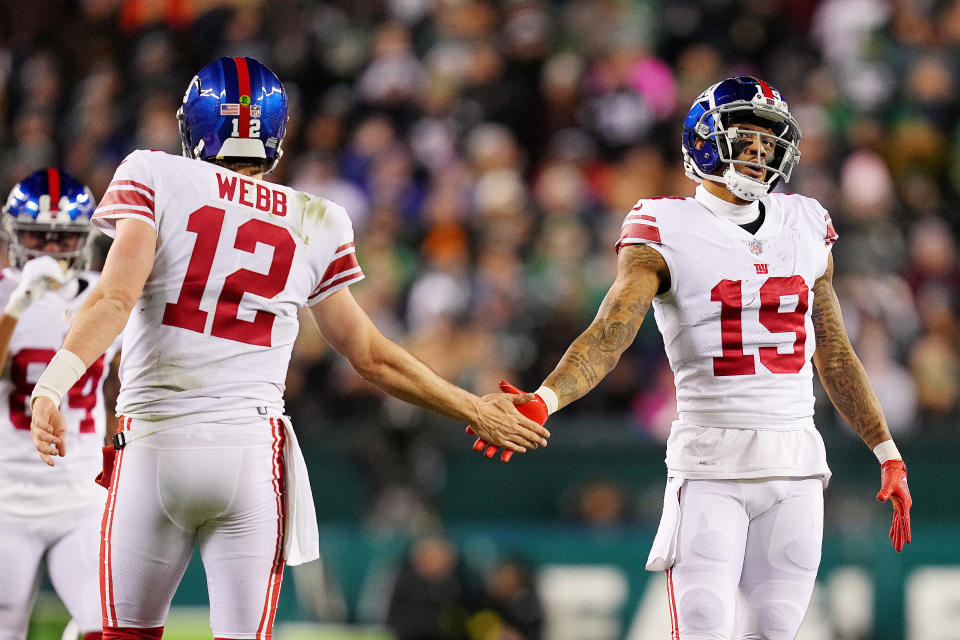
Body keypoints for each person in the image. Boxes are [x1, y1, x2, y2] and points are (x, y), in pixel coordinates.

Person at [27, 56, 549, 640]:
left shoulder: (155, 173)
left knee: (121, 635)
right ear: (275, 132)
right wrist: (473, 407)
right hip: (250, 453)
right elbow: (369, 354)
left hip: (154, 445)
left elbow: (114, 299)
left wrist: (55, 382)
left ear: (195, 122)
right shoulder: (316, 218)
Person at [473, 76, 913, 638]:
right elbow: (611, 331)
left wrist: (887, 450)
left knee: (777, 631)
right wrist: (545, 399)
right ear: (704, 140)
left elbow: (834, 350)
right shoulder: (664, 225)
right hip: (710, 464)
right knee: (703, 629)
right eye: (746, 137)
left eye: (769, 141)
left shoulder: (805, 223)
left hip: (797, 459)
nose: (760, 152)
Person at [0, 168, 117, 640]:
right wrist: (19, 304)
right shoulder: (6, 292)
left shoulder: (107, 293)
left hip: (83, 495)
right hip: (6, 498)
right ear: (13, 234)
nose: (48, 250)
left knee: (106, 626)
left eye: (61, 239)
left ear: (83, 239)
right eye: (36, 236)